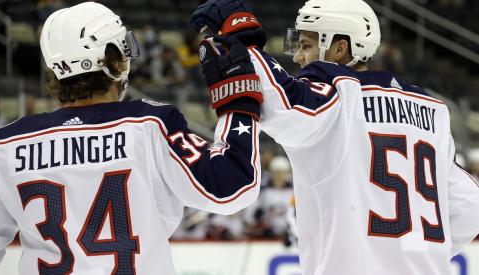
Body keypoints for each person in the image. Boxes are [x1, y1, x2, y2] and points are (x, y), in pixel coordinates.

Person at [190, 0, 479, 274]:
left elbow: (284, 104)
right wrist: (420, 253)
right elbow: (470, 206)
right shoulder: (434, 110)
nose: (299, 55)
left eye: (305, 44)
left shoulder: (342, 91)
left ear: (340, 48)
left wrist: (244, 43)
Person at [0, 2, 263, 274]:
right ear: (112, 61)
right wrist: (238, 96)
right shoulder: (150, 124)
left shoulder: (4, 146)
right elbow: (233, 187)